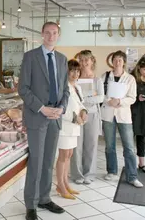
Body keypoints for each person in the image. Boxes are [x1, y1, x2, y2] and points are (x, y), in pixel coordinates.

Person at [18, 21, 69, 220]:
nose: (50, 36)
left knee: (49, 161)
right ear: (42, 34)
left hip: (55, 118)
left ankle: (44, 198)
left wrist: (61, 108)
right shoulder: (30, 57)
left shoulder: (62, 59)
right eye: (47, 33)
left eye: (54, 33)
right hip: (37, 116)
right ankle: (31, 205)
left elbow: (65, 89)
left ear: (58, 35)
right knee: (36, 161)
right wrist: (42, 108)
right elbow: (23, 88)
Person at [101, 50, 143, 188]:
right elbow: (100, 93)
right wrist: (109, 101)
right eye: (115, 59)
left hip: (124, 116)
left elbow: (132, 97)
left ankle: (132, 176)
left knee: (129, 147)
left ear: (124, 62)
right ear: (112, 62)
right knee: (109, 146)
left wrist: (119, 102)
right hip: (108, 114)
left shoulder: (130, 79)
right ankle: (112, 171)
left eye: (120, 60)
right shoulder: (105, 76)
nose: (117, 62)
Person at [71, 50, 104, 184]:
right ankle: (77, 174)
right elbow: (72, 97)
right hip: (77, 115)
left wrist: (83, 100)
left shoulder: (97, 80)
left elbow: (100, 97)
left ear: (92, 61)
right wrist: (89, 98)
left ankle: (89, 174)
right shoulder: (75, 78)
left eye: (86, 60)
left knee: (91, 144)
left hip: (93, 115)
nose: (84, 63)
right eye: (81, 60)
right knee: (76, 146)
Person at [56, 59, 87, 199]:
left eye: (77, 71)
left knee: (68, 155)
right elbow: (61, 109)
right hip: (65, 126)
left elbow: (80, 104)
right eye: (72, 70)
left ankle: (65, 183)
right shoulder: (62, 87)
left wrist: (84, 112)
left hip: (74, 127)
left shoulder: (77, 87)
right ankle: (60, 186)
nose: (75, 73)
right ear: (67, 71)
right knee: (63, 156)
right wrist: (75, 118)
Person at [130, 57, 145, 173]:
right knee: (130, 140)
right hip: (133, 112)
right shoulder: (132, 78)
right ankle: (130, 165)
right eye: (144, 69)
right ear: (139, 68)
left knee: (142, 139)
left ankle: (142, 163)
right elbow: (126, 95)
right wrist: (136, 98)